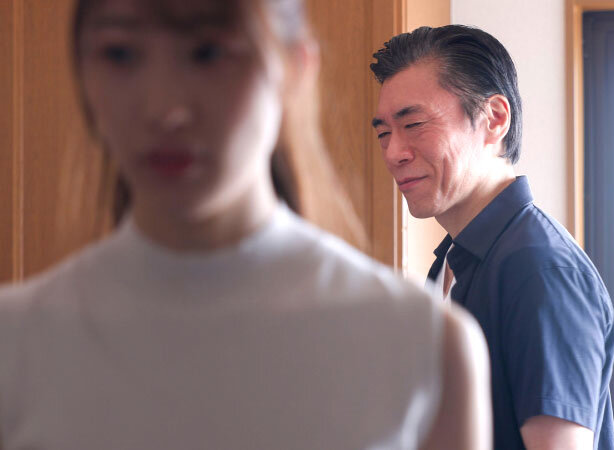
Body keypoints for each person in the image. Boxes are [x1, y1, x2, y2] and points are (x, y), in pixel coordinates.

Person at [0, 2, 492, 449]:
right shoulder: (16, 339)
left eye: (209, 53)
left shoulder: (424, 345)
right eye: (121, 54)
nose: (164, 108)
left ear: (294, 69)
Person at [370, 25, 614, 450]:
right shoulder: (452, 259)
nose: (394, 153)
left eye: (413, 124)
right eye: (383, 133)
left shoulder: (538, 269)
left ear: (494, 119)